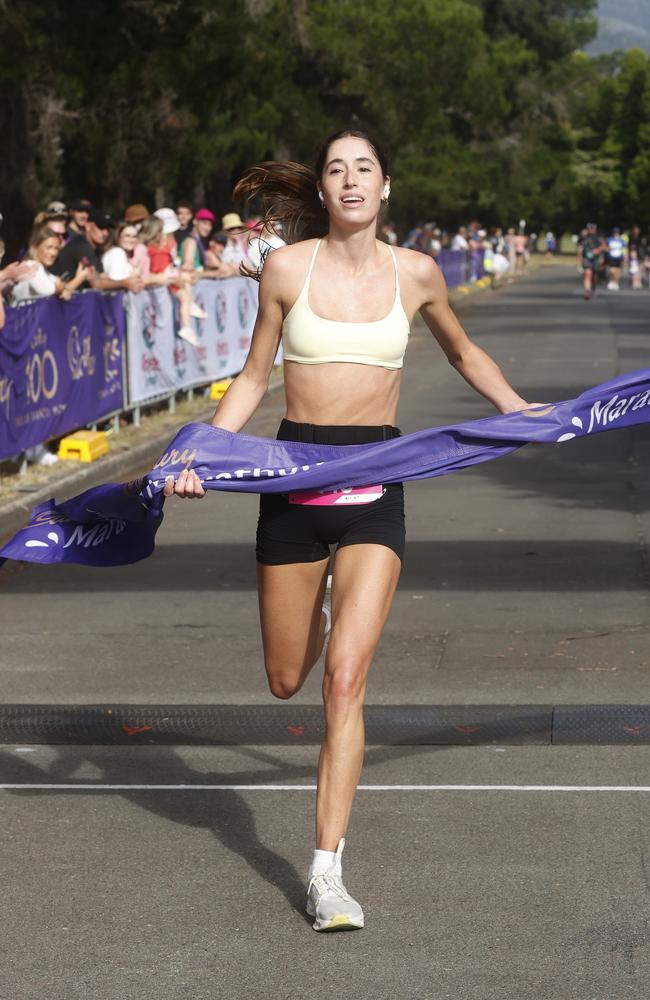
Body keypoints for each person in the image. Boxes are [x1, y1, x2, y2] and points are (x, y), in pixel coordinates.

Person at [164, 128, 531, 933]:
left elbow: (467, 355)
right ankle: (323, 606)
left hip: (375, 483)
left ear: (385, 186)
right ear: (323, 192)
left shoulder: (419, 274)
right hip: (292, 482)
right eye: (336, 169)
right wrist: (200, 453)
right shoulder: (288, 270)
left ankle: (326, 873)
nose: (351, 179)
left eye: (364, 167)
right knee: (288, 678)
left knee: (345, 681)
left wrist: (524, 413)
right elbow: (255, 377)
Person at [50, 208, 144, 294]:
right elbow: (96, 283)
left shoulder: (95, 250)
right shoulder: (81, 247)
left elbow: (102, 277)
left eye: (107, 228)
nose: (105, 233)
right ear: (88, 226)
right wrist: (126, 283)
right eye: (101, 227)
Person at [578, 223, 606, 300]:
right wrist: (579, 258)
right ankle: (587, 291)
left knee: (594, 277)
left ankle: (593, 288)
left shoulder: (599, 237)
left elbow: (604, 246)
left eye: (592, 228)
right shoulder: (584, 237)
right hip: (586, 258)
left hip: (596, 259)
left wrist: (597, 250)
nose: (590, 230)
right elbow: (579, 246)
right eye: (589, 228)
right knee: (588, 274)